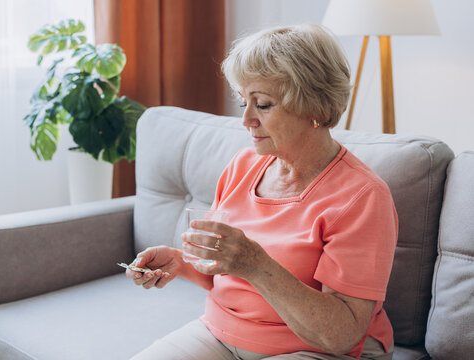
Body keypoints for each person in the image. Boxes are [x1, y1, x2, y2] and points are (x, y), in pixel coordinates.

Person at [126, 24, 398, 360]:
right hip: (221, 333)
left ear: (314, 107)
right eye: (244, 101)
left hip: (316, 350)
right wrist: (180, 263)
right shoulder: (243, 165)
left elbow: (340, 335)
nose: (246, 120)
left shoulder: (362, 196)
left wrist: (256, 264)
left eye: (264, 104)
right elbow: (224, 271)